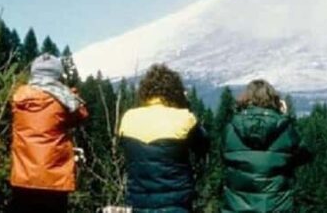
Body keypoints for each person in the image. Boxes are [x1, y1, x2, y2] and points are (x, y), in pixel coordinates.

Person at [119, 64, 209, 213]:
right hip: (176, 204)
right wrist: (186, 106)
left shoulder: (128, 118)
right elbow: (203, 146)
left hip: (138, 204)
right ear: (175, 91)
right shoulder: (184, 118)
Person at [9, 53, 89, 213]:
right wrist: (71, 94)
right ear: (57, 75)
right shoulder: (64, 101)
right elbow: (82, 115)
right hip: (54, 180)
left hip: (23, 177)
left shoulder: (18, 99)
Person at [222, 79, 311, 212]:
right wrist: (285, 116)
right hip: (275, 205)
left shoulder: (231, 128)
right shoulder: (284, 129)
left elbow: (223, 156)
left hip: (237, 206)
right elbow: (305, 155)